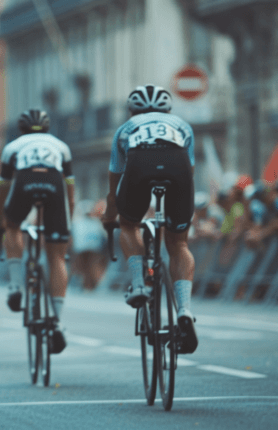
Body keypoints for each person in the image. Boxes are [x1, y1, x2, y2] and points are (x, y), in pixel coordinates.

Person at [100, 85, 198, 354]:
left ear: (132, 109)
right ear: (167, 108)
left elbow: (115, 177)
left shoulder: (126, 128)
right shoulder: (182, 126)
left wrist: (111, 213)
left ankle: (139, 284)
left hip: (138, 166)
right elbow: (189, 171)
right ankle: (185, 310)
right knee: (178, 245)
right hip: (178, 170)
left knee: (129, 224)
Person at [0, 109, 74, 354]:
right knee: (57, 256)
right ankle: (57, 322)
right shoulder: (62, 147)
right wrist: (66, 221)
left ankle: (16, 286)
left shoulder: (12, 147)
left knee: (13, 226)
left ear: (21, 129)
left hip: (25, 184)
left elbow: (2, 191)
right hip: (54, 187)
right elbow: (70, 189)